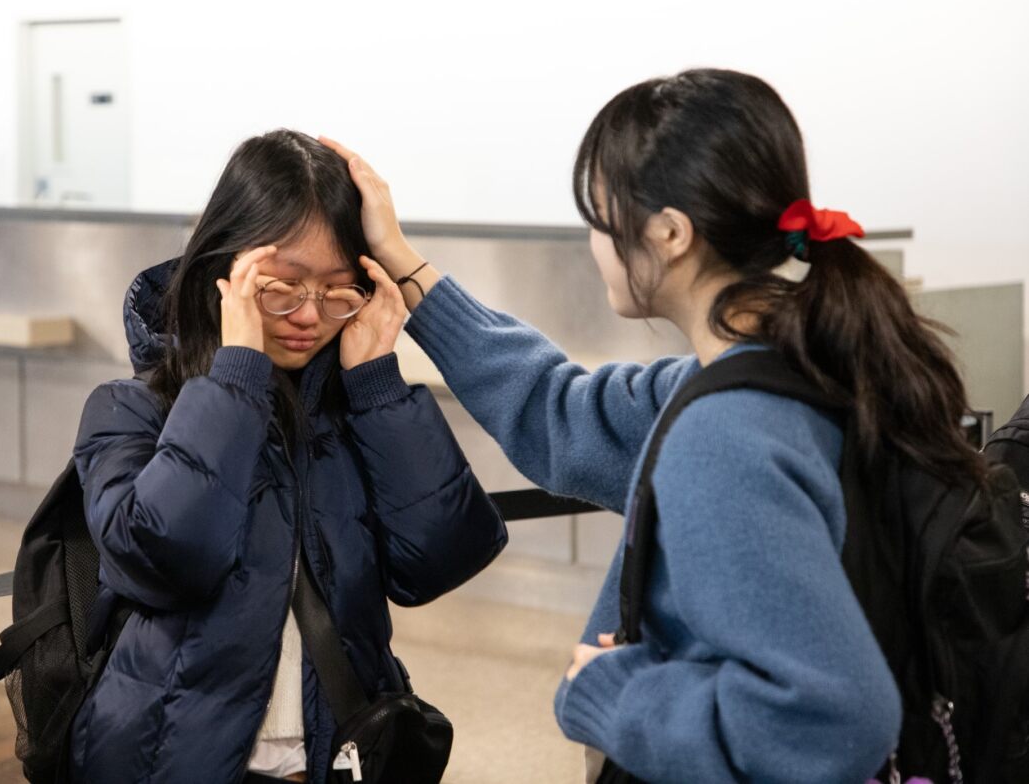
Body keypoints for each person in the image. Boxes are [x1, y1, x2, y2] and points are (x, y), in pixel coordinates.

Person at [322, 68, 987, 782]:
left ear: (670, 233)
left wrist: (615, 689)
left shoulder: (728, 433)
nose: (596, 243)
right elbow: (555, 410)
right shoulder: (801, 370)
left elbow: (831, 719)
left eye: (603, 218)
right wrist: (402, 262)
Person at [69, 130, 507, 784]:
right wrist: (235, 374)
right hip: (171, 758)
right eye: (281, 286)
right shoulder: (133, 409)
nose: (309, 315)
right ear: (225, 274)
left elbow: (438, 560)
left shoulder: (354, 409)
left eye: (337, 290)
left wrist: (378, 387)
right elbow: (165, 559)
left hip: (339, 753)